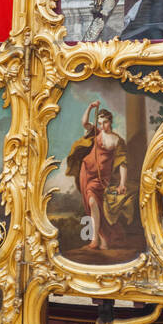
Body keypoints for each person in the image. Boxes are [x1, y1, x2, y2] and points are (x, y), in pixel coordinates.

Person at [65, 101, 129, 251]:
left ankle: (104, 239)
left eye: (105, 122)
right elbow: (84, 122)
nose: (102, 126)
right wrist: (90, 107)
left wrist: (122, 184)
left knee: (98, 206)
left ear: (110, 121)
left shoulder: (117, 140)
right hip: (86, 171)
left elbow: (122, 163)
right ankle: (96, 240)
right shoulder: (97, 133)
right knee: (92, 204)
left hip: (102, 178)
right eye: (100, 123)